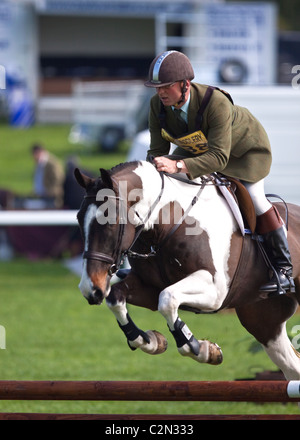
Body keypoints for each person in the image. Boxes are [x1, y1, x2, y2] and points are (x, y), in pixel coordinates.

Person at [144, 50, 295, 295]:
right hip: (199, 149)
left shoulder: (215, 102)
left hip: (243, 153)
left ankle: (283, 269)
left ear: (185, 85)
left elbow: (219, 157)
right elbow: (157, 152)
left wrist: (179, 166)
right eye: (156, 87)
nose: (160, 92)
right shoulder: (157, 105)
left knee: (255, 199)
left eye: (166, 86)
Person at [32, 144, 65, 208]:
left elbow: (58, 178)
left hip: (52, 197)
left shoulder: (51, 163)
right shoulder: (39, 163)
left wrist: (50, 191)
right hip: (42, 195)